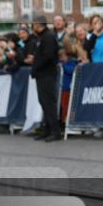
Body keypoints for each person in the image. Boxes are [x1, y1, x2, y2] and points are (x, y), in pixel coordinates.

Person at [30, 14, 61, 142]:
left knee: (49, 103)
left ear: (38, 24)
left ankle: (55, 131)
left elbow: (48, 56)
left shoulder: (48, 37)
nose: (32, 26)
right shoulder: (42, 37)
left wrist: (36, 65)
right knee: (44, 102)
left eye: (34, 24)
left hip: (47, 74)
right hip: (42, 74)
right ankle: (47, 129)